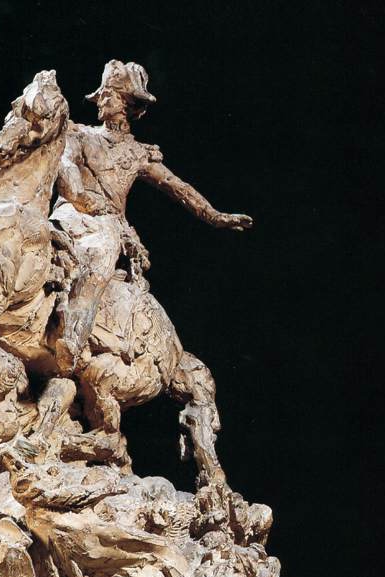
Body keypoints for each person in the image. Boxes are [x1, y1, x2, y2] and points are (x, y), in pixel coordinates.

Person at [53, 60, 253, 368]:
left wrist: (215, 216)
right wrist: (79, 196)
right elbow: (64, 166)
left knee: (104, 249)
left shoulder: (138, 153)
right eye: (101, 95)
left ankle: (75, 335)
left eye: (107, 95)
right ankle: (70, 332)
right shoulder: (79, 135)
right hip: (72, 213)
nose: (100, 101)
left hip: (108, 224)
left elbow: (178, 187)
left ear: (126, 103)